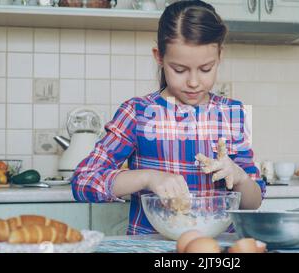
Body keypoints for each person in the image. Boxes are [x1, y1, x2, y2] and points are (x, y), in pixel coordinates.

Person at [71, 0, 266, 235]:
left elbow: (254, 202)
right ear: (159, 57)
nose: (193, 82)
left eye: (206, 69)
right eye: (180, 70)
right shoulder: (137, 113)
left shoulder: (232, 114)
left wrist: (241, 178)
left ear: (220, 56)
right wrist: (146, 178)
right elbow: (83, 181)